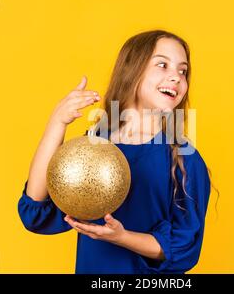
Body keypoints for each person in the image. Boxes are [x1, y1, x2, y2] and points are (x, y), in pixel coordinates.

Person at [18, 30, 213, 274]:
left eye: (182, 71)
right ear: (133, 70)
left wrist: (121, 237)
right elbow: (35, 211)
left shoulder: (184, 159)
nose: (176, 77)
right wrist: (57, 122)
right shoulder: (92, 150)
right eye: (163, 65)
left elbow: (184, 247)